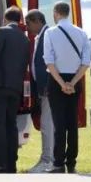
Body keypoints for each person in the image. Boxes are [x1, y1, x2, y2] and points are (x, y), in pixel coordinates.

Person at [42, 1, 91, 173]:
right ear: (68, 12)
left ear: (56, 13)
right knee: (72, 122)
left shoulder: (50, 32)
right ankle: (71, 162)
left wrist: (62, 83)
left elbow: (49, 61)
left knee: (59, 123)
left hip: (56, 79)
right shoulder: (81, 33)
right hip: (75, 78)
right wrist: (73, 82)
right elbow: (86, 62)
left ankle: (58, 162)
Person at [0, 6, 30, 173]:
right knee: (11, 125)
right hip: (15, 87)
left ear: (5, 18)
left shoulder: (1, 32)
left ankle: (0, 162)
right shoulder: (25, 38)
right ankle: (11, 163)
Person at [24, 9, 55, 172]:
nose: (27, 27)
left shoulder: (48, 35)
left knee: (47, 124)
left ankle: (48, 160)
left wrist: (46, 86)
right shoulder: (40, 36)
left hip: (48, 88)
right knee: (47, 124)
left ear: (37, 21)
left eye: (28, 23)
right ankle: (48, 159)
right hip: (43, 88)